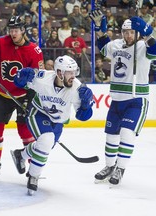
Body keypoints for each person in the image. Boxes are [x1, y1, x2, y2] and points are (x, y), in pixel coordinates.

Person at [89, 9, 156, 186]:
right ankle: (109, 166)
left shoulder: (143, 46)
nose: (128, 35)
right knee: (111, 136)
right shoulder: (116, 45)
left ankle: (120, 168)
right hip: (117, 99)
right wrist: (99, 28)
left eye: (131, 32)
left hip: (136, 100)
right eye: (126, 32)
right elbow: (104, 46)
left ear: (136, 33)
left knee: (127, 133)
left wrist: (146, 32)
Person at [10, 55, 94, 195]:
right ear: (59, 72)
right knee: (46, 140)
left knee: (44, 146)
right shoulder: (42, 78)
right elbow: (19, 82)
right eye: (69, 72)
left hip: (58, 122)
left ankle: (21, 155)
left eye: (74, 72)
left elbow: (82, 117)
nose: (73, 76)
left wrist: (86, 106)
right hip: (38, 113)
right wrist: (22, 76)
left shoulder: (77, 89)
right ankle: (33, 176)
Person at [0, 15, 44, 178]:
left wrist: (31, 97)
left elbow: (39, 78)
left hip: (23, 96)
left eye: (16, 30)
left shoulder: (34, 51)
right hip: (3, 94)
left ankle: (31, 166)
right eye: (11, 30)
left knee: (25, 132)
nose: (13, 33)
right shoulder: (2, 42)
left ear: (23, 31)